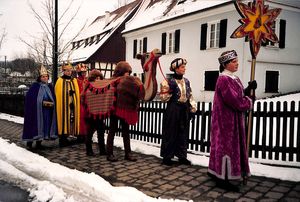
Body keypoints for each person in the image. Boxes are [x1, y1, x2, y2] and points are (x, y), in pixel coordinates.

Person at [207, 50, 257, 191]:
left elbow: (238, 94)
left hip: (233, 119)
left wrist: (248, 89)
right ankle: (222, 179)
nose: (237, 64)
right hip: (225, 121)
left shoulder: (233, 78)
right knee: (226, 148)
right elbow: (235, 100)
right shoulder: (223, 79)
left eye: (236, 61)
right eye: (234, 61)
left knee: (228, 147)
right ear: (225, 64)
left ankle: (219, 173)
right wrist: (250, 100)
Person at [159, 58, 197, 166]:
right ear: (176, 69)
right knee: (170, 133)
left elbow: (190, 95)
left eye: (184, 67)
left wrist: (192, 109)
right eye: (182, 67)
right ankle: (167, 156)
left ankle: (182, 156)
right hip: (173, 109)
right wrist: (168, 92)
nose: (184, 69)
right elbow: (163, 98)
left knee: (183, 133)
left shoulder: (187, 81)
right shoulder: (167, 82)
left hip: (184, 109)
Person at [106, 61, 145, 162]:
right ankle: (109, 153)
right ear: (121, 71)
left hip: (125, 110)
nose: (128, 73)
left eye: (129, 72)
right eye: (126, 71)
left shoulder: (128, 82)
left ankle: (128, 153)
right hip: (115, 110)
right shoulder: (112, 81)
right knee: (112, 131)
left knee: (126, 132)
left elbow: (135, 93)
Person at [22, 65, 57, 149]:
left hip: (47, 111)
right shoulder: (35, 87)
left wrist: (52, 103)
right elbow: (30, 98)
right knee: (34, 124)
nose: (45, 78)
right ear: (39, 77)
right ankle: (29, 142)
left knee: (45, 126)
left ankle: (39, 142)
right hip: (36, 111)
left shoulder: (50, 87)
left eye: (46, 77)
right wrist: (39, 102)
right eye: (43, 77)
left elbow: (53, 97)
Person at [55, 63, 80, 147]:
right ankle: (62, 139)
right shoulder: (60, 81)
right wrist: (67, 93)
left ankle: (67, 136)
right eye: (67, 71)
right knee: (63, 120)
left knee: (70, 121)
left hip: (72, 105)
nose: (69, 72)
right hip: (63, 106)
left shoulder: (74, 80)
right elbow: (58, 94)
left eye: (70, 71)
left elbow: (76, 94)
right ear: (63, 71)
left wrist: (74, 100)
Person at [84, 69, 107, 156]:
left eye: (99, 78)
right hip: (89, 115)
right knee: (89, 133)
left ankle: (102, 150)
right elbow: (85, 99)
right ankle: (89, 150)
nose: (98, 80)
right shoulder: (88, 87)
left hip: (100, 114)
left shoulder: (103, 88)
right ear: (92, 78)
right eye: (96, 78)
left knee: (101, 133)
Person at [76, 63, 88, 143]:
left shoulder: (87, 80)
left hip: (86, 102)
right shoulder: (76, 81)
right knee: (80, 119)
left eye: (85, 72)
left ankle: (85, 134)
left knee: (86, 119)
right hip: (79, 102)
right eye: (82, 72)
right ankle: (79, 135)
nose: (84, 74)